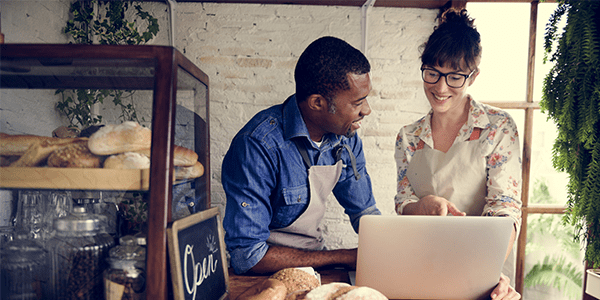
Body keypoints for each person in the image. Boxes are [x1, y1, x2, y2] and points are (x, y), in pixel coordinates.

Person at [222, 36, 382, 275]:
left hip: (316, 264)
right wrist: (344, 257)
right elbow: (248, 256)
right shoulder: (258, 145)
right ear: (317, 102)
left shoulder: (345, 136)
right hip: (266, 273)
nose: (366, 110)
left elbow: (364, 213)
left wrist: (390, 248)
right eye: (357, 102)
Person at [394, 8, 522, 300]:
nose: (440, 87)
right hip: (423, 267)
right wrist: (422, 205)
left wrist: (483, 270)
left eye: (454, 77)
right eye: (432, 73)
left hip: (485, 274)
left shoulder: (498, 128)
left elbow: (505, 208)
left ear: (473, 76)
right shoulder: (409, 137)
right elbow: (404, 202)